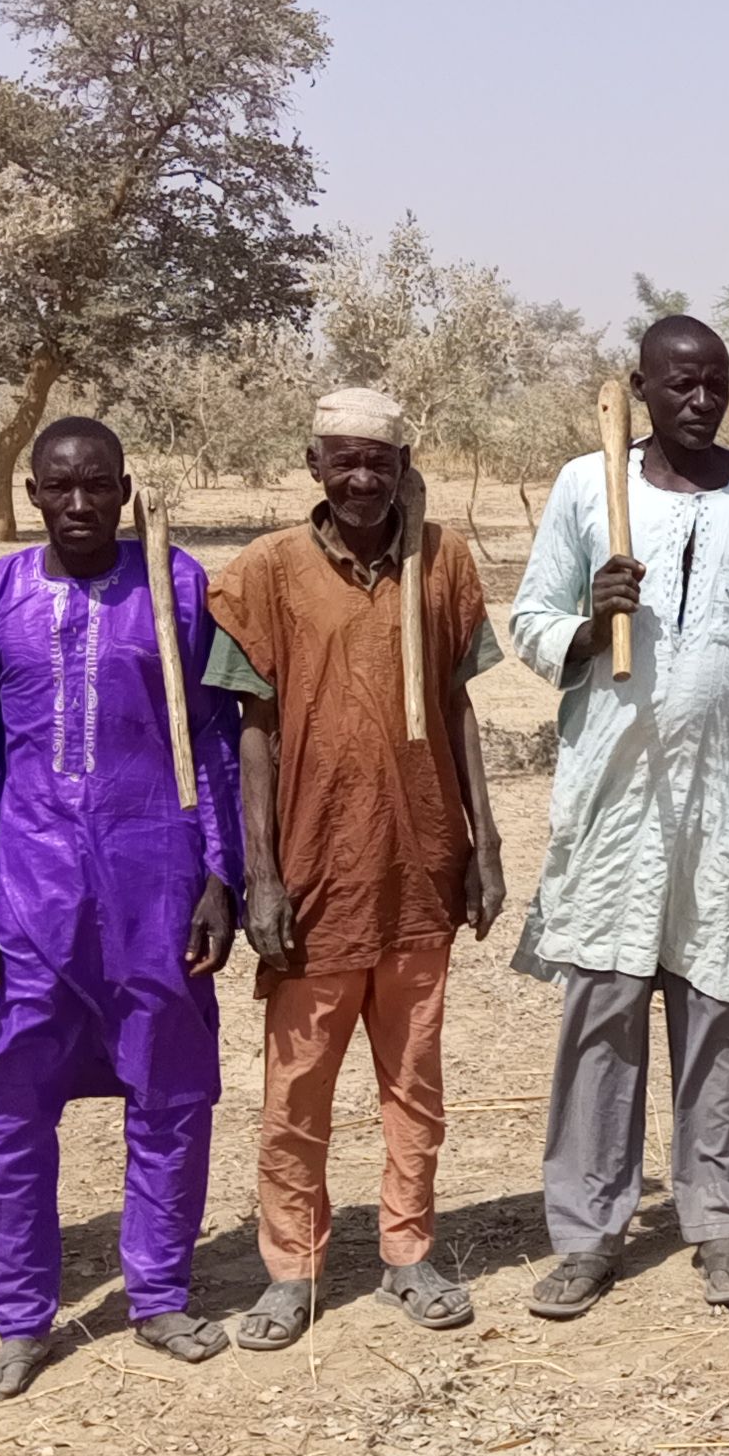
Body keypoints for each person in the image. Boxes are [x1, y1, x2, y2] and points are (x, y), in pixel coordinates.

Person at [507, 317, 729, 1319]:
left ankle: (719, 1222)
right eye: (679, 384)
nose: (700, 399)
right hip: (611, 803)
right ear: (639, 389)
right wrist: (582, 615)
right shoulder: (582, 488)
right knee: (600, 1019)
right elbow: (526, 622)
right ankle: (586, 1234)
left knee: (720, 1022)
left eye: (716, 382)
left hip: (725, 802)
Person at [0, 417, 245, 1400]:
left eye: (96, 486)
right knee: (9, 1106)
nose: (78, 504)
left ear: (125, 491)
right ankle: (23, 1318)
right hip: (26, 895)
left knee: (170, 1091)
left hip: (154, 882)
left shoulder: (177, 587)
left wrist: (218, 878)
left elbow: (218, 742)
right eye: (58, 488)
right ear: (32, 495)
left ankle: (156, 1294)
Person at [205, 386, 507, 1345]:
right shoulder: (267, 572)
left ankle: (408, 1252)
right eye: (346, 460)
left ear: (405, 466)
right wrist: (260, 872)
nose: (364, 477)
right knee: (297, 1088)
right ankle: (290, 1269)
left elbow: (459, 706)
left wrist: (484, 840)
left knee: (413, 1078)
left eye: (381, 462)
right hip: (314, 871)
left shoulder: (443, 562)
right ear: (315, 466)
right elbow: (250, 730)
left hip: (420, 864)